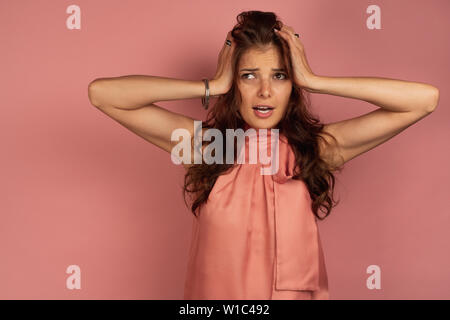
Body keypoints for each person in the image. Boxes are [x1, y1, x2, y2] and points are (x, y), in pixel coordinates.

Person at [87, 11, 439, 300]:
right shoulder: (208, 146)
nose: (265, 91)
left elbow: (423, 100)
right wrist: (212, 85)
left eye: (280, 76)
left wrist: (315, 79)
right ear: (235, 83)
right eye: (249, 75)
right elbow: (103, 94)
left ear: (292, 86)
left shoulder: (314, 149)